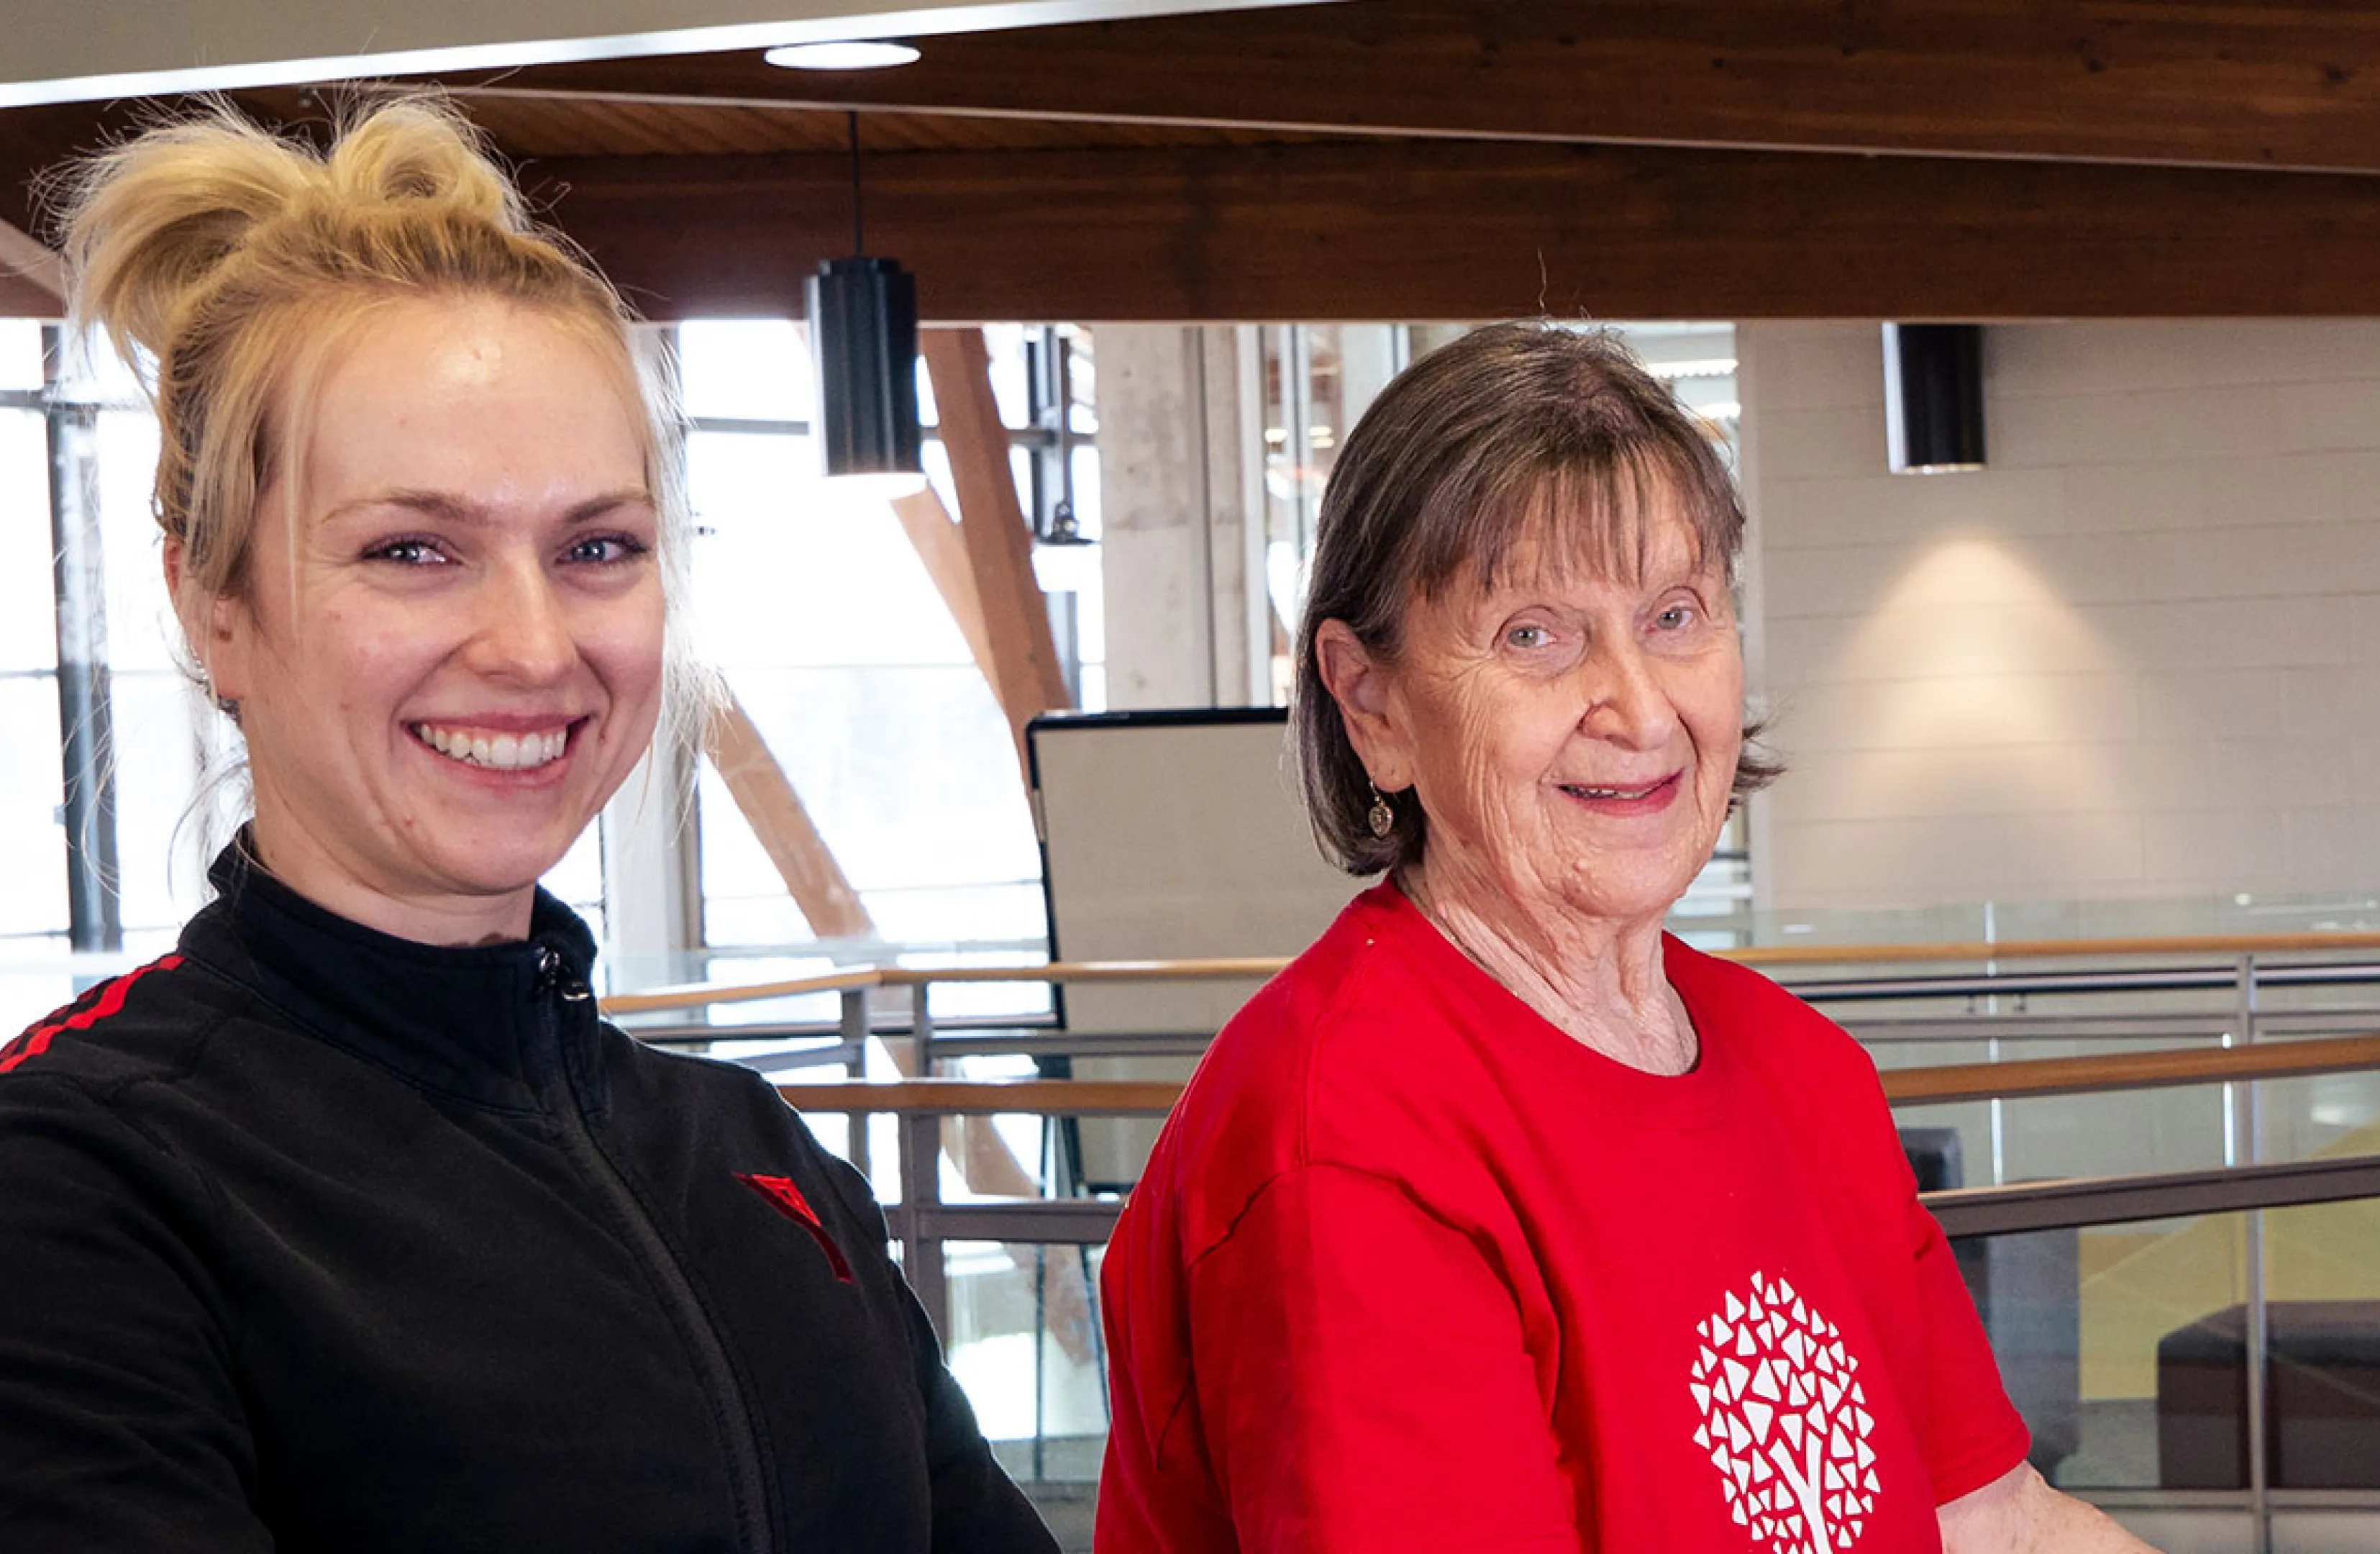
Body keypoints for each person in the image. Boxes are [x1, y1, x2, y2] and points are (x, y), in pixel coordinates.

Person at [0, 99, 1055, 1553]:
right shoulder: (80, 1183)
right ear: (210, 602)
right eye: (414, 550)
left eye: (596, 548)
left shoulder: (751, 1157)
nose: (532, 643)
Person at [1096, 324, 2155, 1553]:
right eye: (1535, 635)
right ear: (1369, 701)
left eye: (1674, 614)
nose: (1642, 707)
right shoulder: (1345, 1143)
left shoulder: (1804, 1073)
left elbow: (1993, 1523)